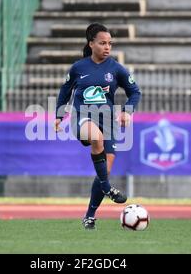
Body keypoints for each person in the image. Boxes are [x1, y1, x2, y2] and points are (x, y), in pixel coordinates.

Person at [54, 23, 142, 229]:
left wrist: (127, 111)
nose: (107, 47)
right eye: (102, 43)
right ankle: (108, 188)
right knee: (96, 138)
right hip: (82, 117)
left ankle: (90, 216)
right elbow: (65, 91)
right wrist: (59, 115)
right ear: (91, 44)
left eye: (110, 43)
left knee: (104, 170)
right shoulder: (78, 67)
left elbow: (135, 92)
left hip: (108, 121)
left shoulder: (116, 69)